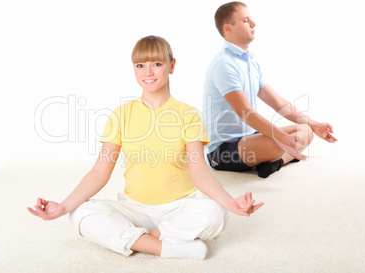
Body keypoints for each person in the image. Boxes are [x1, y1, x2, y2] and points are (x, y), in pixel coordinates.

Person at [27, 35, 263, 260]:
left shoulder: (188, 114)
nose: (148, 72)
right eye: (140, 65)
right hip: (134, 209)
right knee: (79, 213)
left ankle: (133, 241)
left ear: (171, 65)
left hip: (179, 206)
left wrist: (230, 202)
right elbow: (100, 171)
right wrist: (63, 206)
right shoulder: (121, 114)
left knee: (216, 211)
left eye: (157, 64)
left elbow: (199, 170)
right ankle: (169, 248)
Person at [202, 2, 337, 178]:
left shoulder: (250, 61)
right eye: (245, 20)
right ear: (228, 28)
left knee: (307, 130)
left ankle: (276, 163)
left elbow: (279, 103)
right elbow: (246, 113)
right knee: (277, 143)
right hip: (223, 149)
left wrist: (315, 124)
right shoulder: (224, 64)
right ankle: (279, 157)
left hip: (250, 137)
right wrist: (281, 137)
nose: (253, 23)